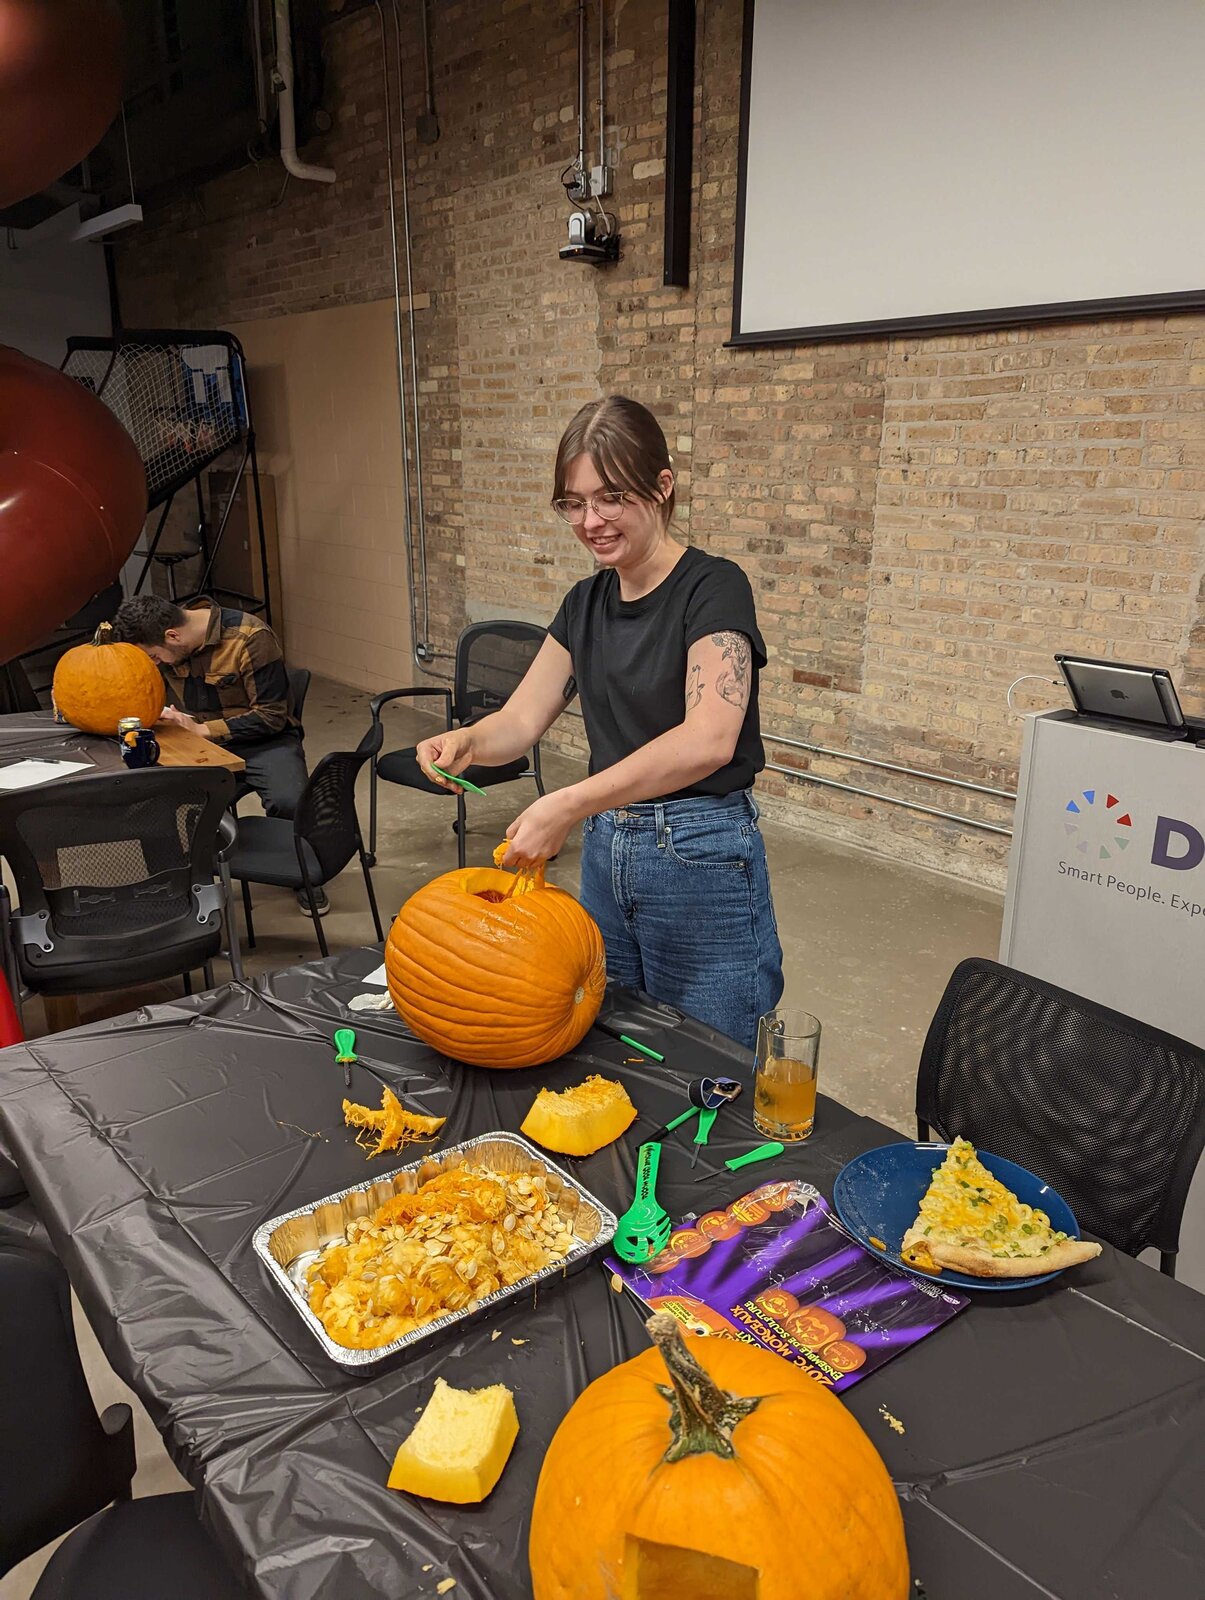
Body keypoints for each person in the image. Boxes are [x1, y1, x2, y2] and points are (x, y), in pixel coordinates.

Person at [417, 395, 783, 1050]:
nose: (591, 521)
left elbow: (709, 738)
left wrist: (567, 804)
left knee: (713, 1059)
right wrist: (468, 740)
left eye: (610, 497)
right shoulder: (585, 602)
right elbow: (522, 720)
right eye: (573, 503)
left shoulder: (713, 588)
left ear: (662, 487)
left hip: (698, 853)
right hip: (607, 850)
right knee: (616, 1044)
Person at [109, 594, 324, 914]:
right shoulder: (167, 641)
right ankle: (174, 885)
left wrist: (202, 730)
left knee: (290, 799)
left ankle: (304, 876)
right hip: (201, 744)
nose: (154, 664)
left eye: (154, 656)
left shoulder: (249, 638)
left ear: (173, 635)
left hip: (266, 739)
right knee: (155, 802)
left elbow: (272, 716)